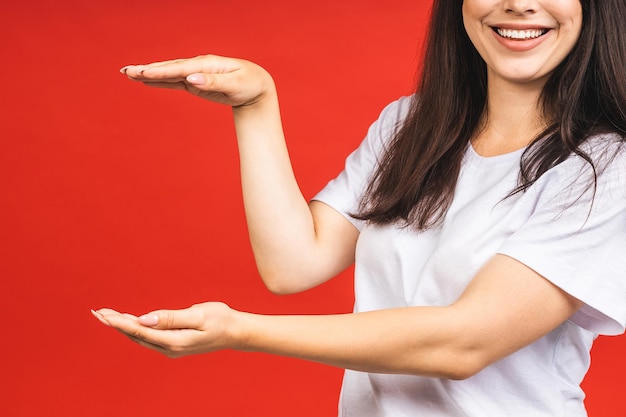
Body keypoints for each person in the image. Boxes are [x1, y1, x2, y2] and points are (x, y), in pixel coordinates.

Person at [92, 0, 626, 415]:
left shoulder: (608, 166)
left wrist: (240, 331)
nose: (518, 4)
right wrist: (255, 106)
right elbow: (294, 264)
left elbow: (464, 342)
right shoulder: (410, 125)